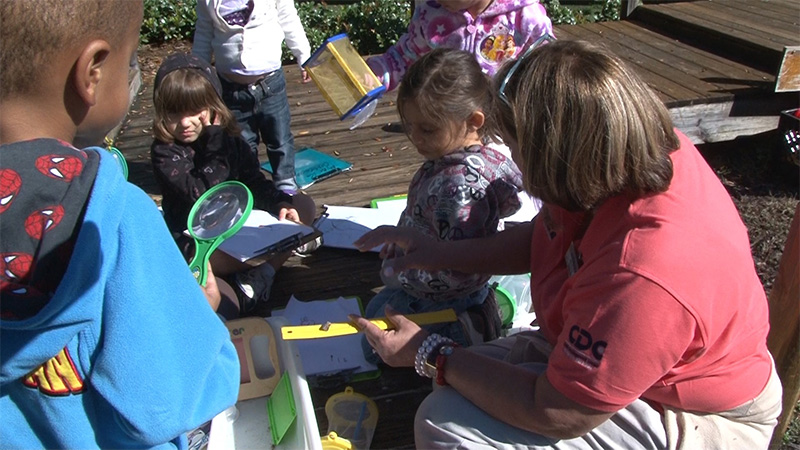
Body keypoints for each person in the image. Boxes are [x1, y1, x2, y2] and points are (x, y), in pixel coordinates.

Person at [352, 40, 782, 449]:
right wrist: (439, 251)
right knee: (465, 383)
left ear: (556, 157)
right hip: (627, 363)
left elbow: (558, 410)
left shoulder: (643, 272)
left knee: (444, 421)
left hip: (702, 414)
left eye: (516, 149)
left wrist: (432, 352)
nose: (510, 160)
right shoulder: (620, 158)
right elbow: (544, 237)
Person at [0, 1, 240, 448]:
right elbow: (169, 402)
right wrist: (194, 316)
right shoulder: (113, 215)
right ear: (91, 71)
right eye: (130, 59)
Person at [361, 48, 524, 364]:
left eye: (427, 129)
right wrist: (402, 240)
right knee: (375, 311)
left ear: (473, 121)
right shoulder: (451, 161)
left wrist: (411, 264)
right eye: (409, 126)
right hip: (429, 280)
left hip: (446, 297)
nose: (415, 139)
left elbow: (459, 266)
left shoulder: (461, 185)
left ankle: (467, 329)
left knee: (372, 346)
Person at [150, 52, 317, 315]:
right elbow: (199, 194)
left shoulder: (231, 139)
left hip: (240, 227)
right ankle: (260, 269)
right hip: (199, 241)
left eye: (195, 111)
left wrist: (280, 203)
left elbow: (253, 181)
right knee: (224, 295)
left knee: (304, 206)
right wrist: (215, 143)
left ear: (214, 105)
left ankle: (263, 273)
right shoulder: (165, 152)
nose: (185, 122)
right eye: (174, 113)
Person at [193, 0, 312, 194]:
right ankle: (252, 182)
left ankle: (285, 180)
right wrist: (199, 71)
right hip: (230, 89)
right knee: (242, 141)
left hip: (270, 84)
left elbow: (288, 19)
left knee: (279, 137)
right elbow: (204, 33)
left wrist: (304, 56)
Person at [367, 0, 553, 91]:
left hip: (504, 128)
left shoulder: (525, 16)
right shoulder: (430, 13)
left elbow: (549, 66)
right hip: (447, 124)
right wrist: (375, 74)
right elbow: (405, 56)